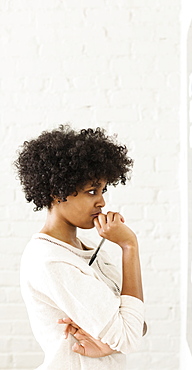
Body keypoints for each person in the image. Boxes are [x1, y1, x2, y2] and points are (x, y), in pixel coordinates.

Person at [14, 125, 146, 370]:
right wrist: (129, 246)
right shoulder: (51, 261)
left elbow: (136, 324)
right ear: (57, 192)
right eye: (91, 191)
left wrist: (111, 343)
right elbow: (130, 335)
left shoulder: (86, 249)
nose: (102, 201)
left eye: (103, 190)